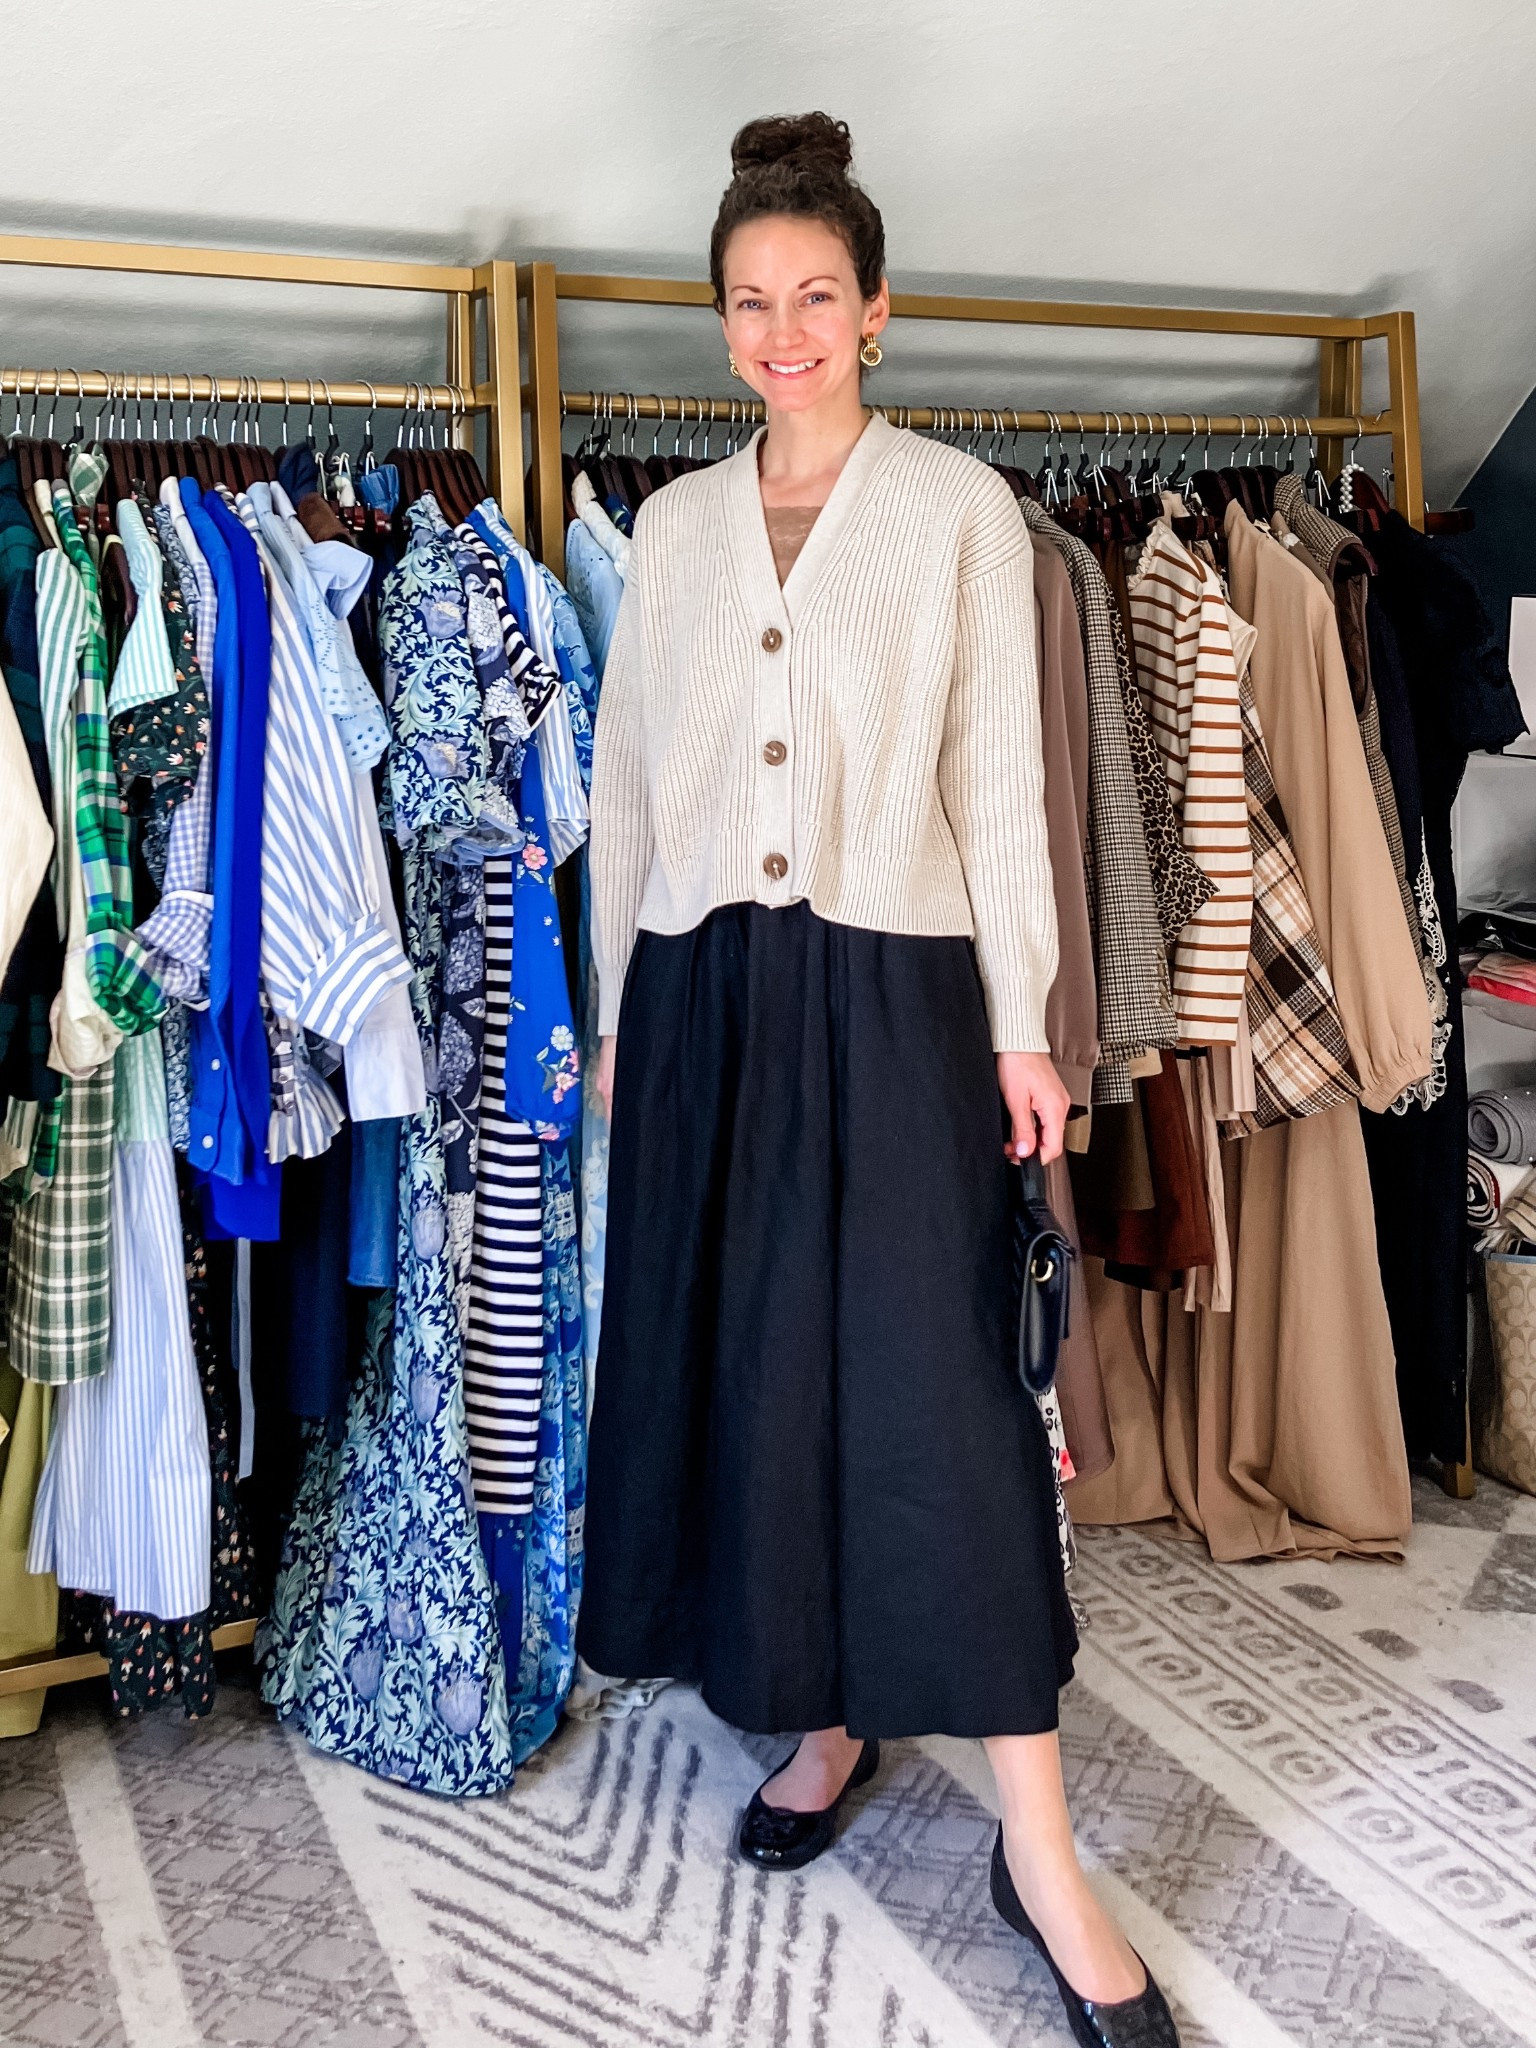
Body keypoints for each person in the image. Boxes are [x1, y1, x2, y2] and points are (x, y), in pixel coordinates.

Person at [579, 110, 1180, 2047]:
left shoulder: (956, 514)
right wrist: (613, 1022)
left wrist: (1026, 1023)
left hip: (907, 988)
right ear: (721, 319)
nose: (781, 331)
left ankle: (1038, 1841)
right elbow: (623, 790)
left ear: (877, 311)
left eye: (815, 297)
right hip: (702, 998)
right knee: (755, 1369)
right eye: (749, 301)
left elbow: (1003, 788)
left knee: (941, 1393)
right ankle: (823, 1716)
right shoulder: (670, 531)